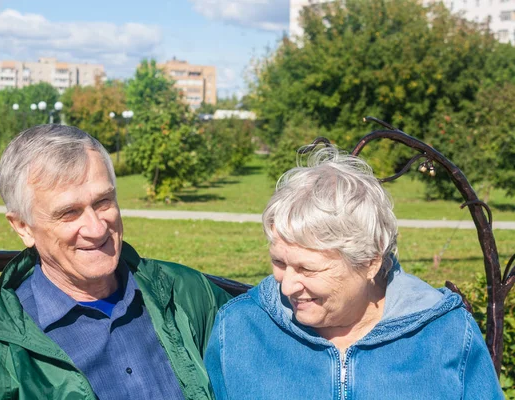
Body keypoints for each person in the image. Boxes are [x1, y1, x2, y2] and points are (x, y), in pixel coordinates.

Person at [0, 125, 231, 399]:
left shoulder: (186, 295)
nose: (97, 228)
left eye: (103, 202)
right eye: (69, 213)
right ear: (22, 226)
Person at [205, 147, 503, 399]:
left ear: (370, 263)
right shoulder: (240, 328)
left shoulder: (445, 332)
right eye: (280, 263)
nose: (287, 287)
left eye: (308, 269)